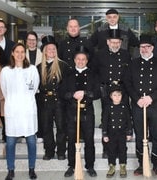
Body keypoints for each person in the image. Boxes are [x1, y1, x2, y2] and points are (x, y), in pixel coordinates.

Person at [124, 35, 157, 176]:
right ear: (139, 49)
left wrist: (151, 97)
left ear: (152, 48)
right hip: (138, 105)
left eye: (147, 47)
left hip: (156, 105)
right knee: (140, 135)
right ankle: (141, 163)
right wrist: (137, 98)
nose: (145, 49)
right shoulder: (133, 63)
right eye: (142, 47)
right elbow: (128, 83)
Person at [0, 43, 39, 180]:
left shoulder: (32, 69)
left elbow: (34, 88)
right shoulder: (5, 71)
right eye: (17, 51)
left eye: (22, 51)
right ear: (12, 53)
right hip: (13, 110)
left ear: (25, 53)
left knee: (31, 142)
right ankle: (10, 170)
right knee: (10, 142)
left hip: (28, 110)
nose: (20, 54)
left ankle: (32, 169)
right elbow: (5, 90)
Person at [61, 45, 100, 178]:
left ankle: (90, 166)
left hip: (87, 112)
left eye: (83, 59)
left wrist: (85, 93)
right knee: (72, 139)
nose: (81, 61)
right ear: (74, 59)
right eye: (78, 59)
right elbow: (62, 92)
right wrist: (72, 94)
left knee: (89, 140)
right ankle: (71, 166)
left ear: (87, 61)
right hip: (72, 112)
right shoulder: (68, 74)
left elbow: (98, 93)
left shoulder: (93, 74)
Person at [92, 29, 131, 159]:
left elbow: (128, 74)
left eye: (117, 42)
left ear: (120, 43)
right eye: (113, 42)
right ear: (108, 42)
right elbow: (95, 73)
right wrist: (100, 88)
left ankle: (122, 149)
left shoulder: (126, 54)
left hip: (122, 91)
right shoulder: (99, 54)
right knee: (107, 120)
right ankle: (107, 149)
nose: (115, 45)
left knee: (123, 119)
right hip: (107, 91)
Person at [37, 35, 71, 161]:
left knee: (61, 127)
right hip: (45, 101)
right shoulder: (38, 67)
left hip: (59, 101)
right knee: (46, 127)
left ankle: (61, 151)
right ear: (44, 51)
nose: (51, 51)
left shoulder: (63, 66)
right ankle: (49, 150)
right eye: (49, 49)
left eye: (53, 49)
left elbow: (68, 85)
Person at [102, 85, 132, 178]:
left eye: (119, 95)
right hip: (111, 133)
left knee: (123, 150)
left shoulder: (125, 107)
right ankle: (112, 166)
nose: (117, 97)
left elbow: (128, 120)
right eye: (114, 95)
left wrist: (129, 133)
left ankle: (123, 166)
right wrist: (105, 134)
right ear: (111, 96)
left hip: (122, 133)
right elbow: (105, 121)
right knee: (111, 150)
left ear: (122, 96)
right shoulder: (107, 107)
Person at [25, 31, 43, 144]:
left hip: (39, 89)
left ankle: (40, 133)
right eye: (29, 40)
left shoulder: (42, 53)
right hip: (25, 90)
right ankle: (26, 134)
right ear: (26, 41)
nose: (31, 42)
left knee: (39, 112)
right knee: (27, 113)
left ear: (37, 41)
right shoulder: (22, 54)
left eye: (33, 40)